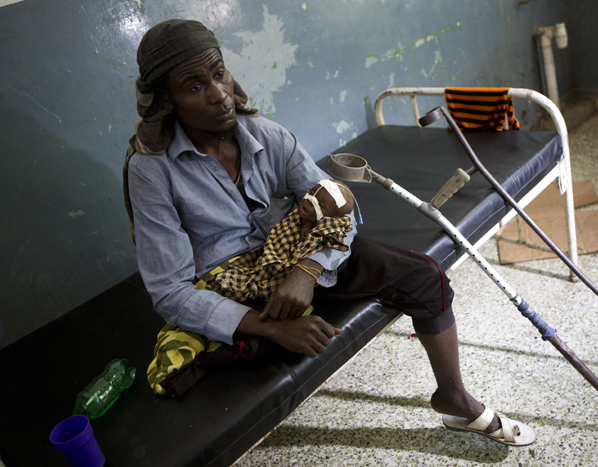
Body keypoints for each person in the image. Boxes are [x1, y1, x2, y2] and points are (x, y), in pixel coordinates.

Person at [124, 19, 535, 446]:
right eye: (194, 87)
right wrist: (271, 328)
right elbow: (170, 290)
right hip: (233, 287)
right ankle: (261, 339)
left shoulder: (267, 136)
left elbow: (340, 205)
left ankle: (453, 398)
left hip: (299, 259)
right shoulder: (152, 172)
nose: (219, 93)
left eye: (219, 72)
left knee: (425, 276)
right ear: (165, 99)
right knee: (205, 360)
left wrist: (307, 270)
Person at [209, 179, 355, 304]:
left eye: (321, 205)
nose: (310, 200)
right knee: (229, 281)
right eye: (311, 192)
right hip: (263, 262)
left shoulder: (322, 233)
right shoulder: (294, 219)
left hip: (285, 277)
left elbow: (339, 232)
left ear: (332, 219)